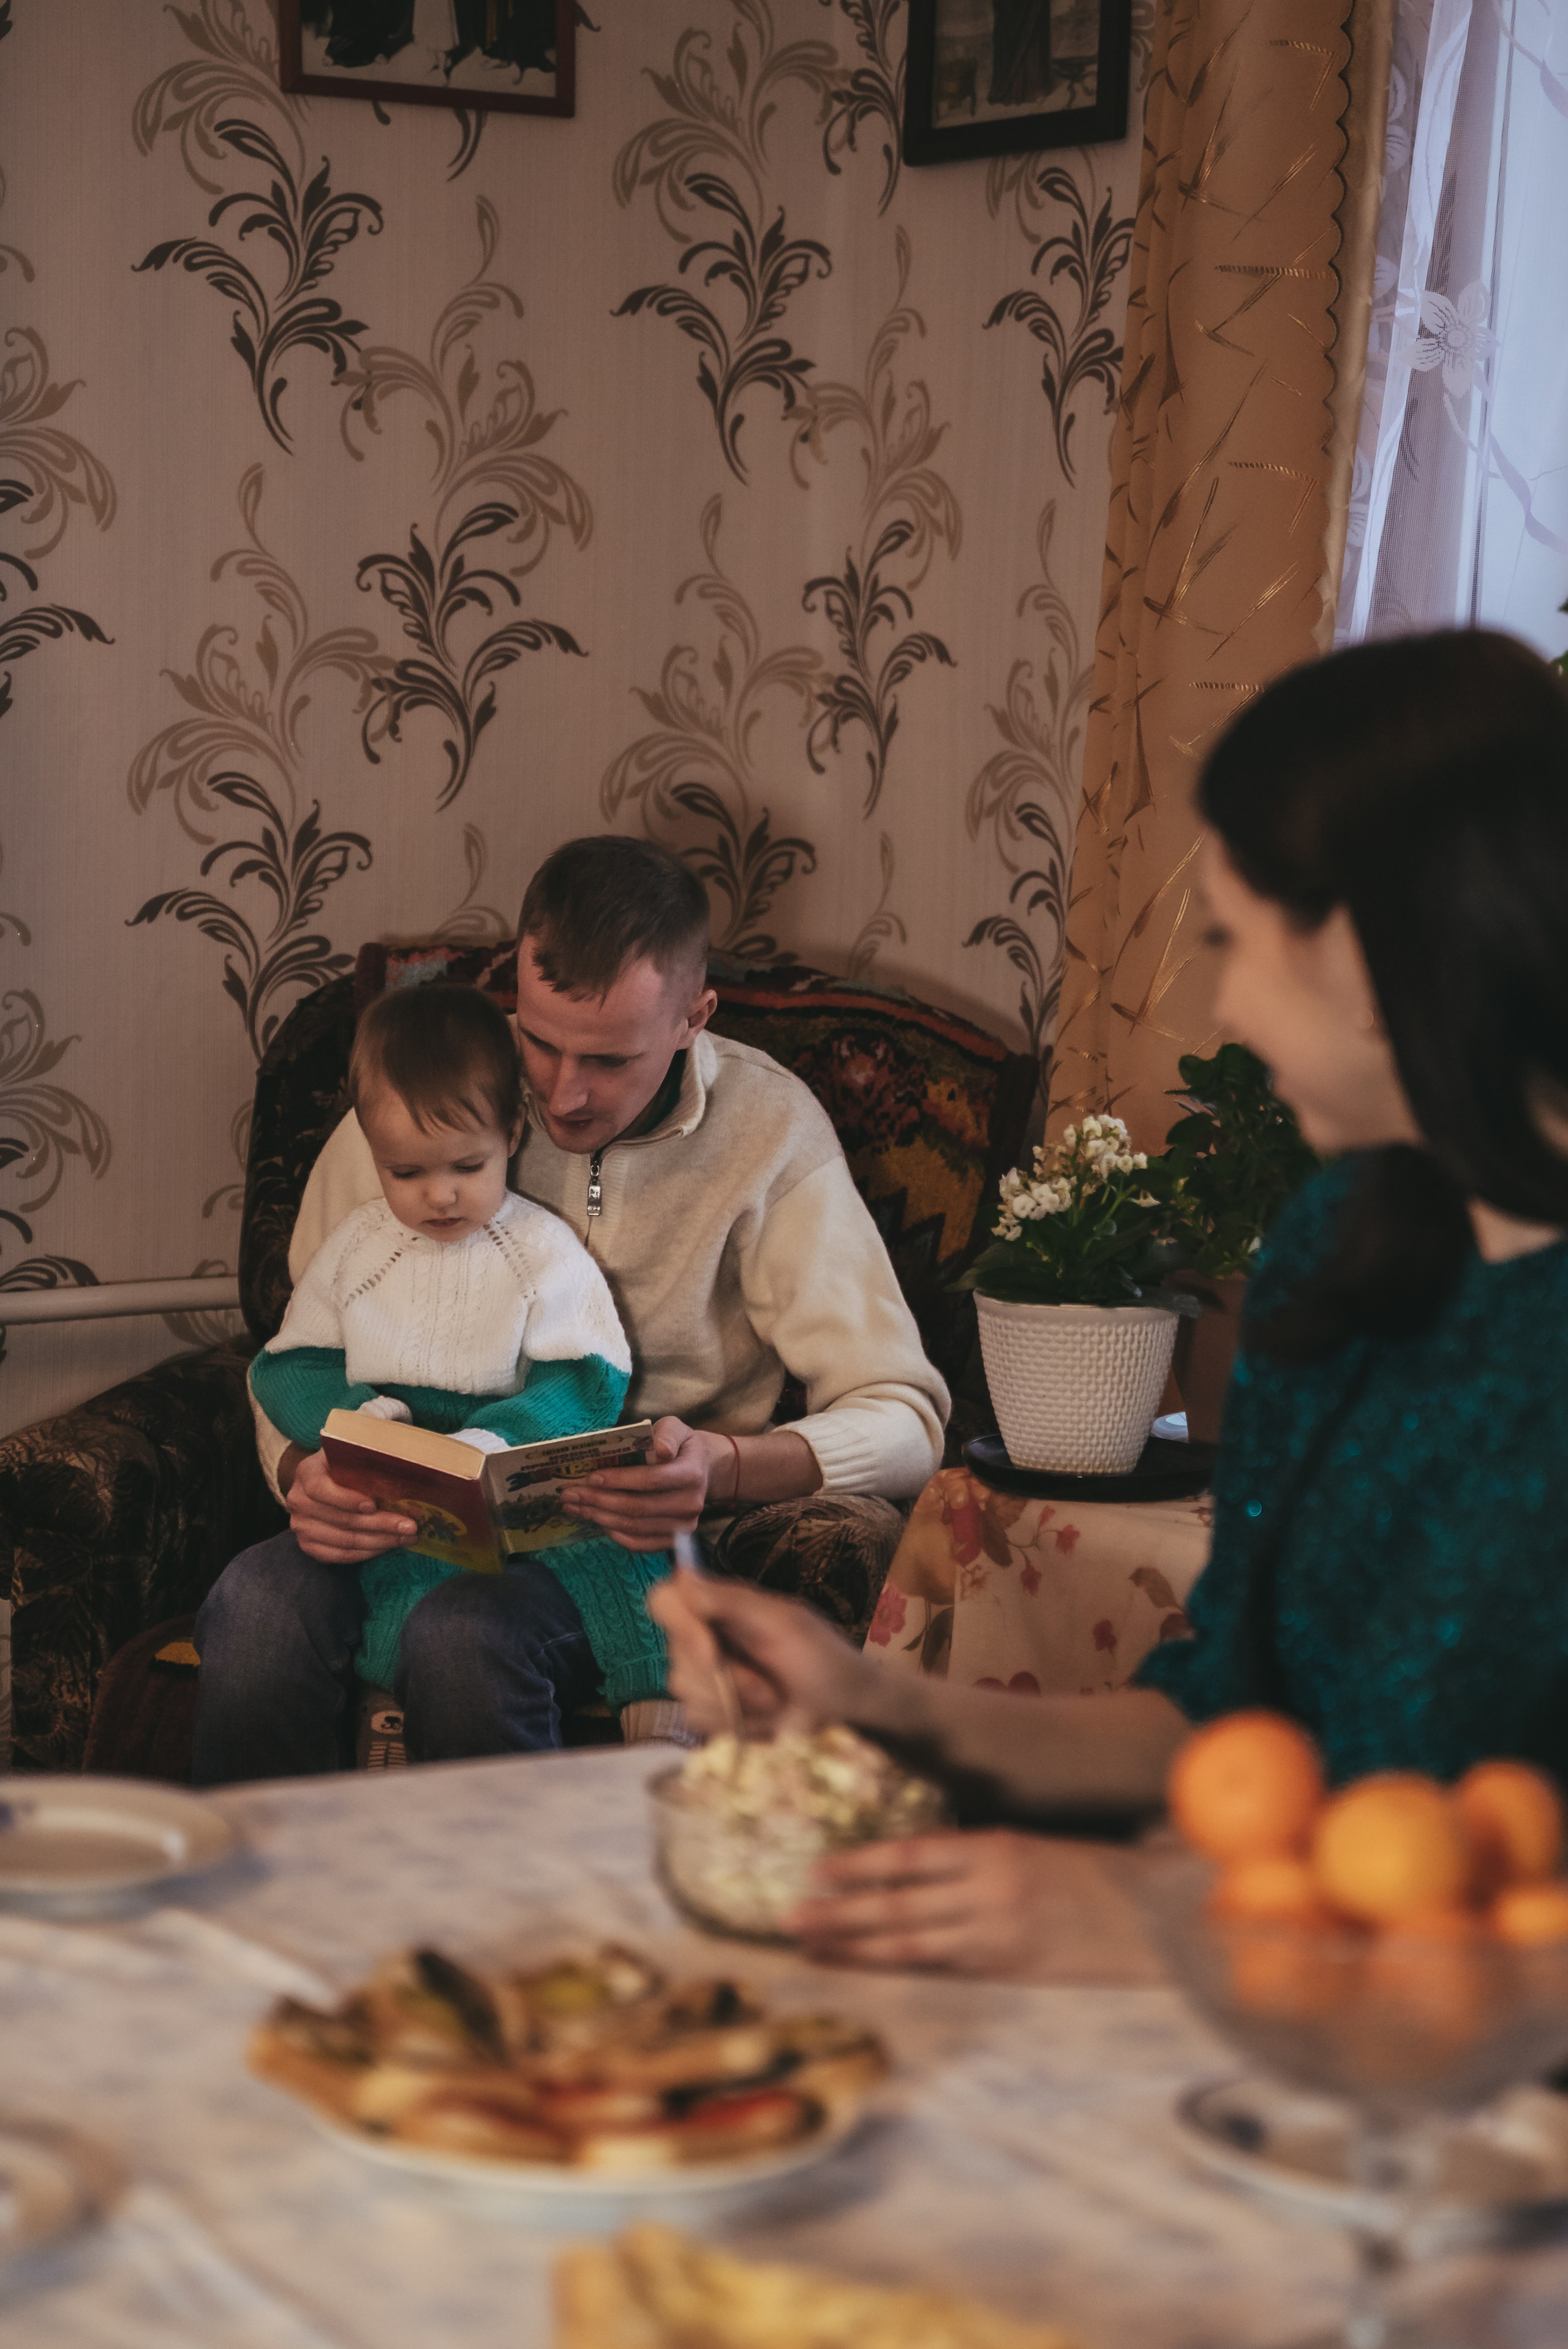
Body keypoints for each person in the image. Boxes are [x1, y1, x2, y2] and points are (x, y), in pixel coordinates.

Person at [651, 628, 1568, 1972]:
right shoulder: (1338, 1248)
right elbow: (1218, 1728)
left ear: (1376, 957)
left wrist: (1152, 1922)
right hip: (1289, 2054)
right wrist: (874, 1702)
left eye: (1235, 941)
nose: (1234, 1014)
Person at [193, 835, 948, 1781]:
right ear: (515, 982)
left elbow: (907, 1419)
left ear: (693, 1016)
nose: (559, 1091)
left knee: (465, 1635)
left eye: (609, 1057)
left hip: (617, 1551)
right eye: (541, 1040)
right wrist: (302, 1467)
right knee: (255, 1606)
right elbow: (296, 1352)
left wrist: (725, 1466)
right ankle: (259, 1915)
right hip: (396, 1517)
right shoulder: (423, 1098)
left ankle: (522, 1922)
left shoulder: (772, 1132)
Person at [241, 982, 669, 1738]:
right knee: (252, 1599)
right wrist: (363, 1424)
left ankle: (651, 1709)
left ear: (512, 1129)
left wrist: (490, 1444)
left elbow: (585, 1376)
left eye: (466, 1166)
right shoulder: (357, 1252)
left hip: (502, 1492)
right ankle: (258, 1846)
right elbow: (287, 1367)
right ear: (372, 1154)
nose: (439, 1196)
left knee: (583, 1576)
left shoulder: (540, 1251)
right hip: (378, 1502)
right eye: (405, 1173)